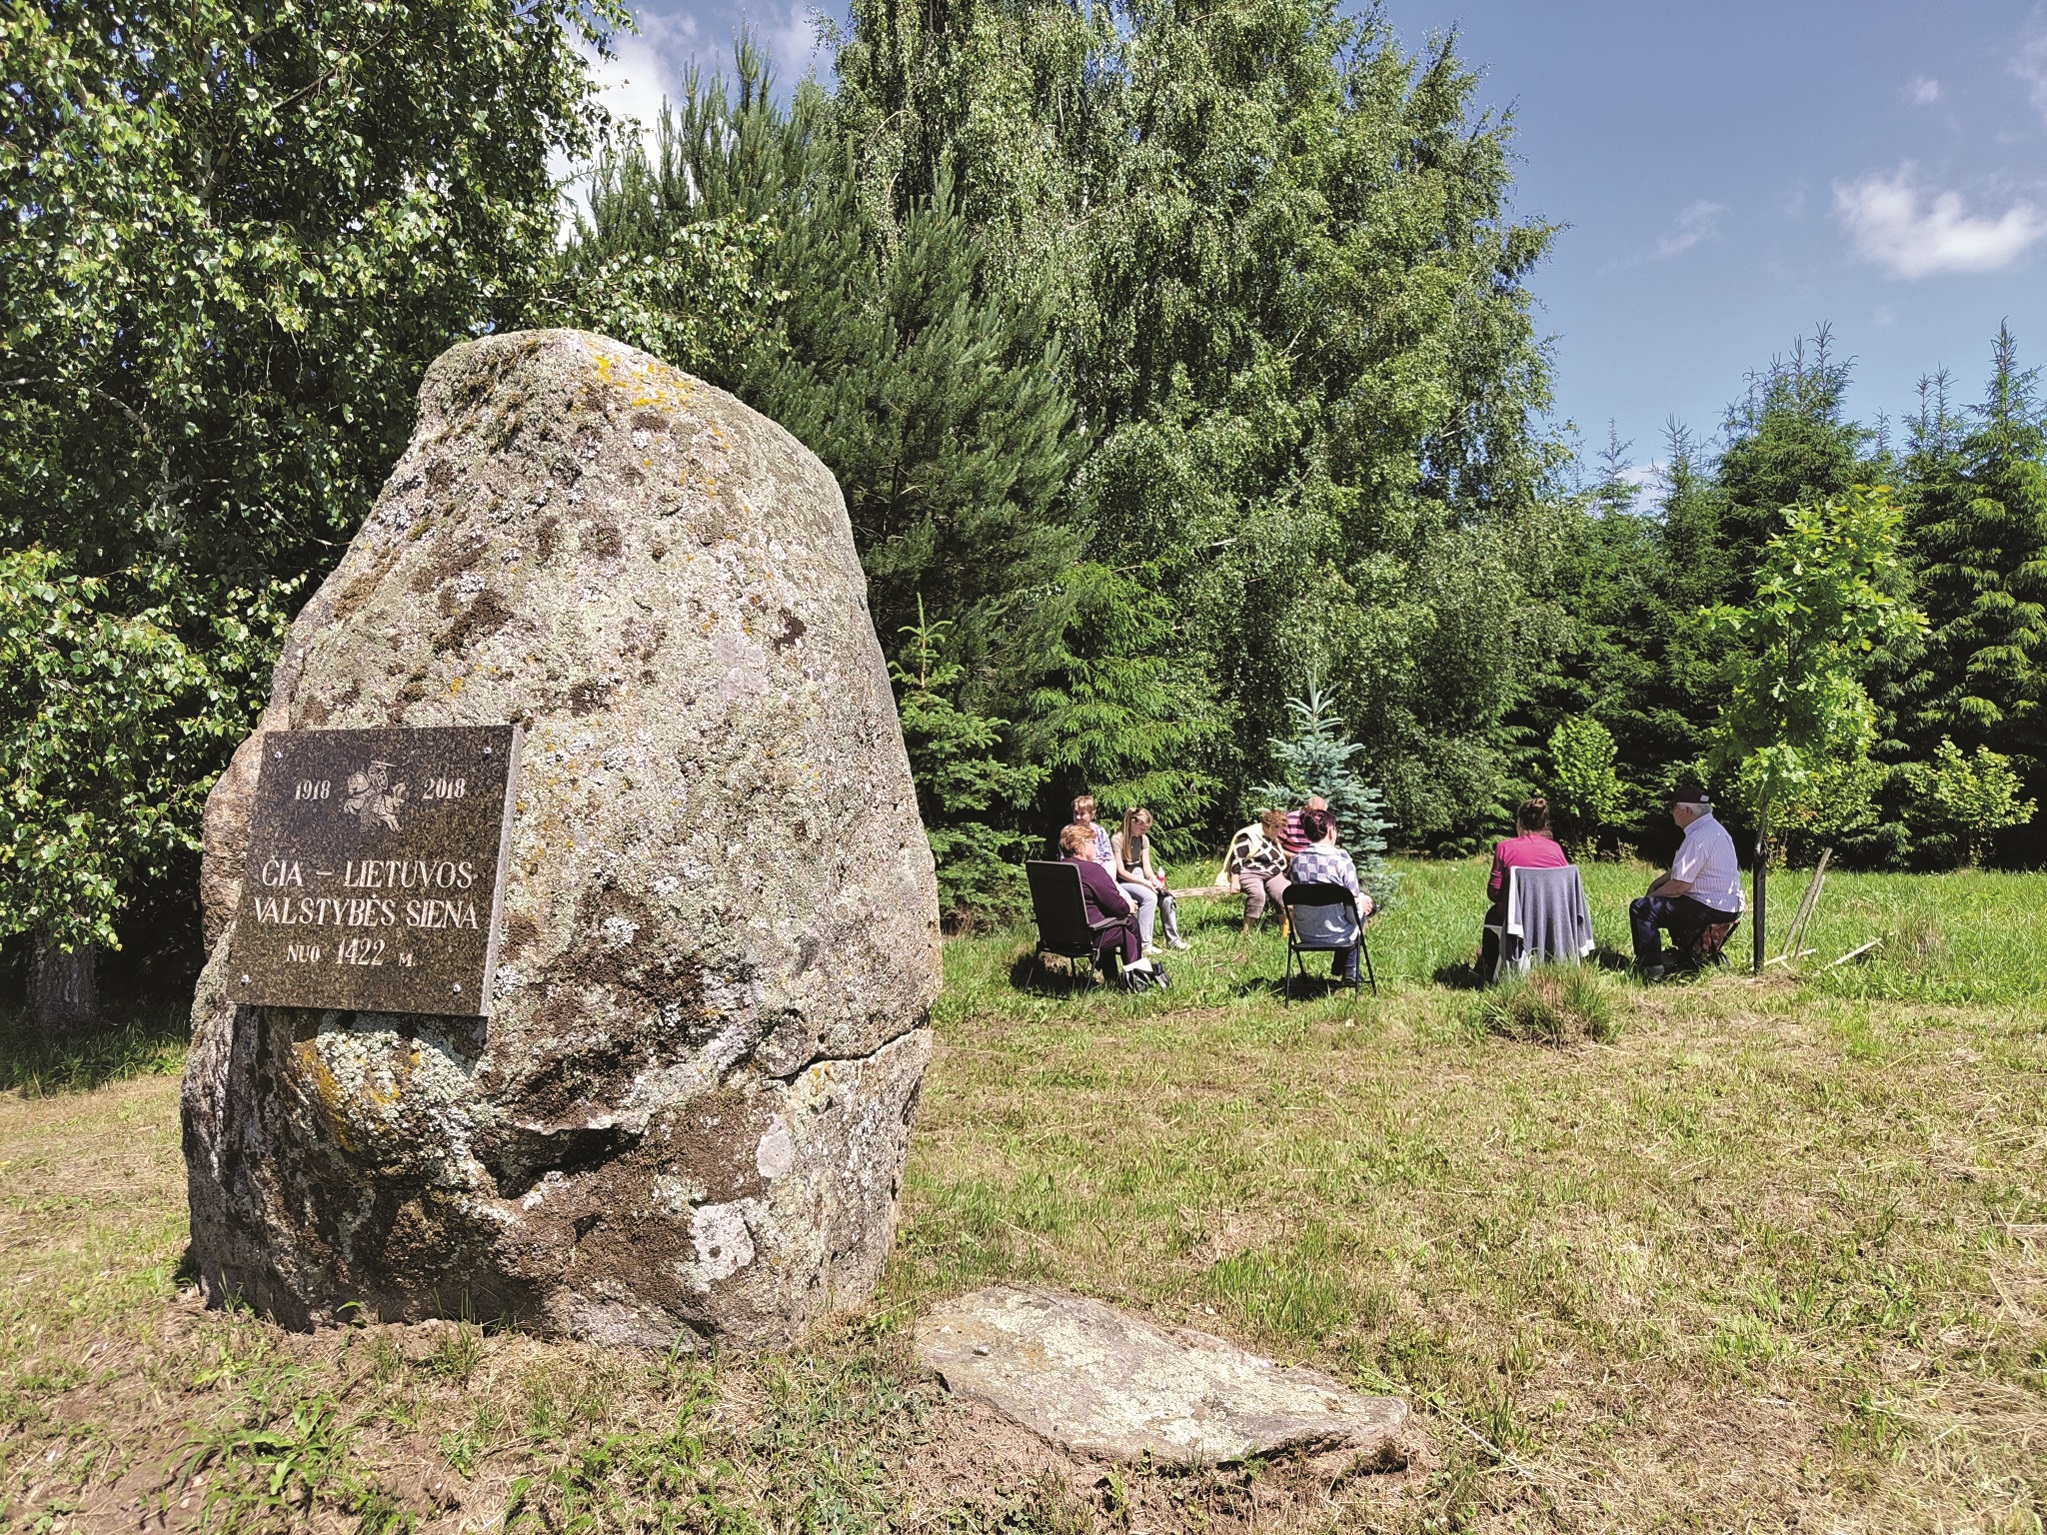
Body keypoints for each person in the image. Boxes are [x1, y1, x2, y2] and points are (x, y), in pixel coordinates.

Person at [1630, 777, 1743, 979]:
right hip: (1730, 905)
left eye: (1673, 807)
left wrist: (1652, 896)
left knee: (1641, 909)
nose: (1671, 812)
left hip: (1711, 907)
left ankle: (1651, 969)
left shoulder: (1697, 838)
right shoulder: (1716, 831)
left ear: (1687, 811)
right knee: (1669, 901)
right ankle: (1687, 954)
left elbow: (1679, 886)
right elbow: (1681, 871)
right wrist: (1657, 883)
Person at [1479, 796, 1572, 975]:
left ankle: (1488, 966)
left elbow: (1494, 893)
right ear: (1544, 824)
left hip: (1517, 922)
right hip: (1551, 920)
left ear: (1519, 822)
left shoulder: (1504, 847)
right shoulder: (1556, 849)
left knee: (1492, 914)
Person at [1288, 807, 1373, 984]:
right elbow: (1352, 916)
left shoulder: (1296, 861)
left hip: (1305, 934)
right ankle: (1350, 971)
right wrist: (1363, 906)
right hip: (1336, 934)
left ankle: (1342, 966)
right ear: (1330, 831)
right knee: (1360, 910)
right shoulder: (1342, 862)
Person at [1058, 823, 1152, 980]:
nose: (1095, 847)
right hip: (1087, 938)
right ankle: (1136, 979)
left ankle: (1112, 977)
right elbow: (1118, 906)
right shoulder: (1092, 870)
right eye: (1092, 842)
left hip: (1058, 937)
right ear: (1080, 845)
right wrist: (1128, 905)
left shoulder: (1056, 869)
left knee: (1110, 921)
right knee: (1129, 924)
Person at [1074, 793, 1158, 954]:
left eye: (1082, 813)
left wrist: (1152, 879)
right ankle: (1134, 970)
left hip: (1105, 880)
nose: (1078, 817)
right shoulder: (1072, 837)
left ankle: (1171, 939)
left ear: (1093, 814)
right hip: (1095, 885)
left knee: (1161, 897)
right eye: (1075, 813)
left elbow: (1109, 861)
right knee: (1129, 921)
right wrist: (1126, 903)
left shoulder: (1101, 834)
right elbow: (1117, 899)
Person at [1113, 808, 1191, 951]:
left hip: (1141, 879)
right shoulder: (1117, 839)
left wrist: (1153, 880)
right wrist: (1145, 883)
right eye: (1142, 828)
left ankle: (1173, 940)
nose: (1144, 832)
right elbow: (1121, 871)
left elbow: (1147, 868)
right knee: (1150, 898)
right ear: (1132, 822)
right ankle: (1144, 944)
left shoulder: (1144, 840)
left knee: (1167, 898)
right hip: (1125, 882)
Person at [1220, 809, 1292, 934]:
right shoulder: (1249, 836)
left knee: (1284, 893)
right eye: (1278, 829)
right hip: (1250, 872)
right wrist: (1235, 880)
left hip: (1272, 872)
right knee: (1257, 895)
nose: (1280, 832)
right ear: (1270, 827)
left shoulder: (1272, 838)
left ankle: (1285, 930)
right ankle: (1247, 931)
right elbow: (1237, 858)